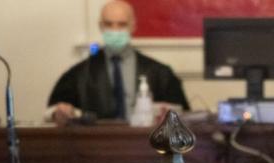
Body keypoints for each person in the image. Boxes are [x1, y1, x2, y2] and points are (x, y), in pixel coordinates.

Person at [46, 0, 188, 125]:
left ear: (133, 26)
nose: (115, 30)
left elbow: (185, 115)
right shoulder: (79, 75)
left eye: (122, 24)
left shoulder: (160, 73)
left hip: (146, 147)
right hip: (95, 148)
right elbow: (52, 112)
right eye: (109, 24)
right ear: (101, 26)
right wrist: (58, 113)